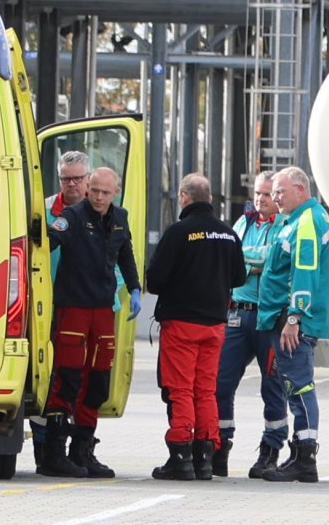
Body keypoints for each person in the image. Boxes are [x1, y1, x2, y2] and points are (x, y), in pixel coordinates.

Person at [43, 166, 140, 478]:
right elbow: (50, 241)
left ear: (115, 193)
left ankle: (84, 451)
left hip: (103, 311)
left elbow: (126, 254)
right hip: (73, 308)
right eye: (94, 190)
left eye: (105, 192)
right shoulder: (72, 216)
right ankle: (55, 453)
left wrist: (136, 288)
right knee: (67, 377)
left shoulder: (120, 218)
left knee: (97, 381)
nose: (98, 197)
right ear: (88, 190)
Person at [145, 173, 244, 481]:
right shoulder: (228, 234)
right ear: (210, 199)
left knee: (180, 389)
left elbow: (156, 280)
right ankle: (205, 457)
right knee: (206, 390)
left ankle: (180, 454)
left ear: (184, 197)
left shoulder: (178, 232)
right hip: (215, 325)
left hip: (182, 324)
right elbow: (239, 278)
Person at [256, 166, 329, 484]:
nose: (275, 198)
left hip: (294, 322)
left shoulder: (305, 223)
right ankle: (300, 454)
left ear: (301, 190)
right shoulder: (299, 221)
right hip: (291, 319)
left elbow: (304, 274)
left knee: (298, 386)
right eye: (273, 192)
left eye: (280, 191)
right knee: (295, 386)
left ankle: (305, 457)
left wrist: (294, 317)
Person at [214, 172, 285, 477]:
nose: (261, 199)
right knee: (220, 384)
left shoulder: (284, 225)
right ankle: (219, 444)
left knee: (272, 387)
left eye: (267, 194)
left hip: (269, 318)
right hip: (237, 315)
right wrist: (256, 263)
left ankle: (270, 450)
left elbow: (275, 259)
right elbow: (231, 257)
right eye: (257, 193)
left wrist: (252, 262)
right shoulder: (242, 223)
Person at [32, 151, 92, 473]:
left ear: (88, 180)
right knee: (49, 377)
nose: (71, 184)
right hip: (47, 308)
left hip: (84, 307)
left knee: (80, 380)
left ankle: (78, 448)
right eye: (66, 178)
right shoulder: (42, 211)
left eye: (77, 178)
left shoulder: (100, 212)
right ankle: (46, 448)